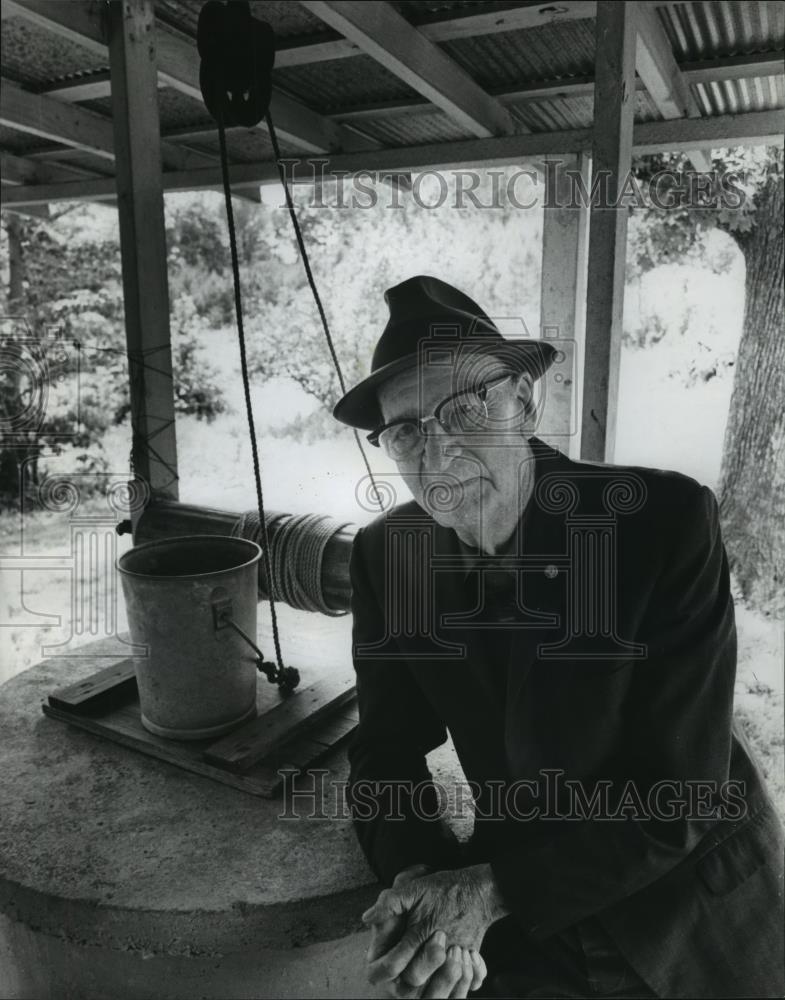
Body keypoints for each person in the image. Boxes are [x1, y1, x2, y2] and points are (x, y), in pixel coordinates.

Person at [332, 275, 785, 999]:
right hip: (522, 913)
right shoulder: (392, 558)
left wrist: (486, 891)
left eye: (468, 406)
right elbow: (384, 749)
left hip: (691, 903)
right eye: (406, 430)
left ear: (524, 402)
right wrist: (419, 880)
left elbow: (684, 795)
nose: (439, 454)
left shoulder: (656, 524)